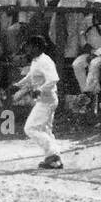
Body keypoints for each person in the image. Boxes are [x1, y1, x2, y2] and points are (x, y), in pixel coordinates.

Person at [12, 33, 64, 169]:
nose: (27, 49)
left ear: (36, 47)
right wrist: (17, 85)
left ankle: (53, 155)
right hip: (45, 99)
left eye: (29, 46)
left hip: (47, 100)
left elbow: (53, 79)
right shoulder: (36, 60)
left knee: (30, 128)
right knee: (45, 130)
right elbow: (30, 77)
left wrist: (40, 89)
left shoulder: (45, 61)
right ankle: (53, 160)